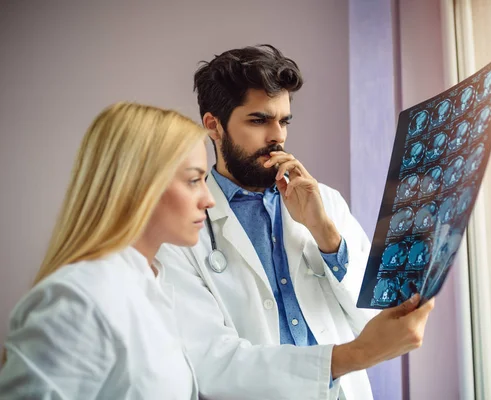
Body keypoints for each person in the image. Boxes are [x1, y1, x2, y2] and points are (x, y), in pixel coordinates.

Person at [157, 44, 435, 400]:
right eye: (259, 120)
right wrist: (349, 357)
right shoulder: (184, 228)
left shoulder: (326, 203)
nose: (278, 136)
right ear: (214, 125)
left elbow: (377, 323)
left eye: (284, 120)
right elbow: (213, 367)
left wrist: (326, 236)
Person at [0, 102, 215, 398]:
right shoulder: (79, 300)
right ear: (140, 184)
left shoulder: (150, 286)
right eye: (194, 180)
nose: (208, 199)